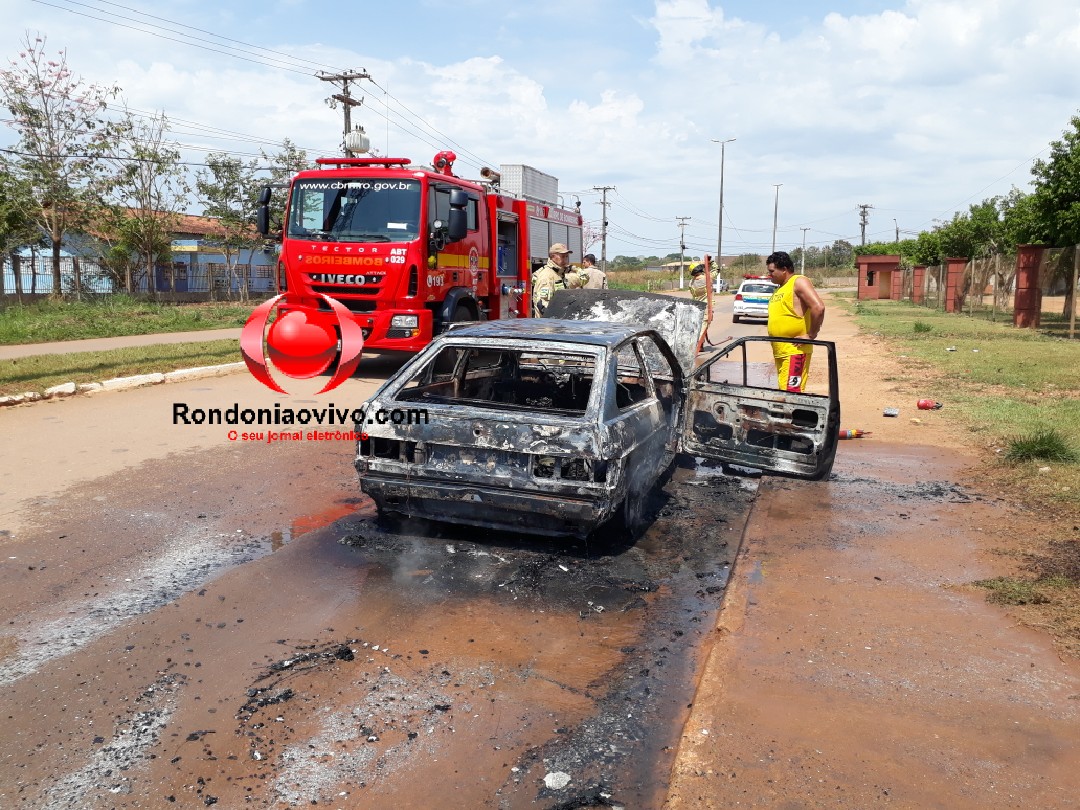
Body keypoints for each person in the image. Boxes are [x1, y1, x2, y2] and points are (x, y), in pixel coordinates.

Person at [766, 250, 825, 392]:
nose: (769, 275)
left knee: (791, 393)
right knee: (784, 391)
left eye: (772, 271)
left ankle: (795, 415)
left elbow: (818, 307)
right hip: (781, 351)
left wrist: (811, 335)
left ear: (784, 269)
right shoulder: (780, 288)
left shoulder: (798, 282)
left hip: (794, 351)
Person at [532, 243, 583, 316]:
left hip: (558, 323)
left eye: (566, 256)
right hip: (549, 325)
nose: (565, 260)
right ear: (553, 256)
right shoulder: (547, 275)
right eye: (562, 256)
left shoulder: (559, 274)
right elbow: (543, 305)